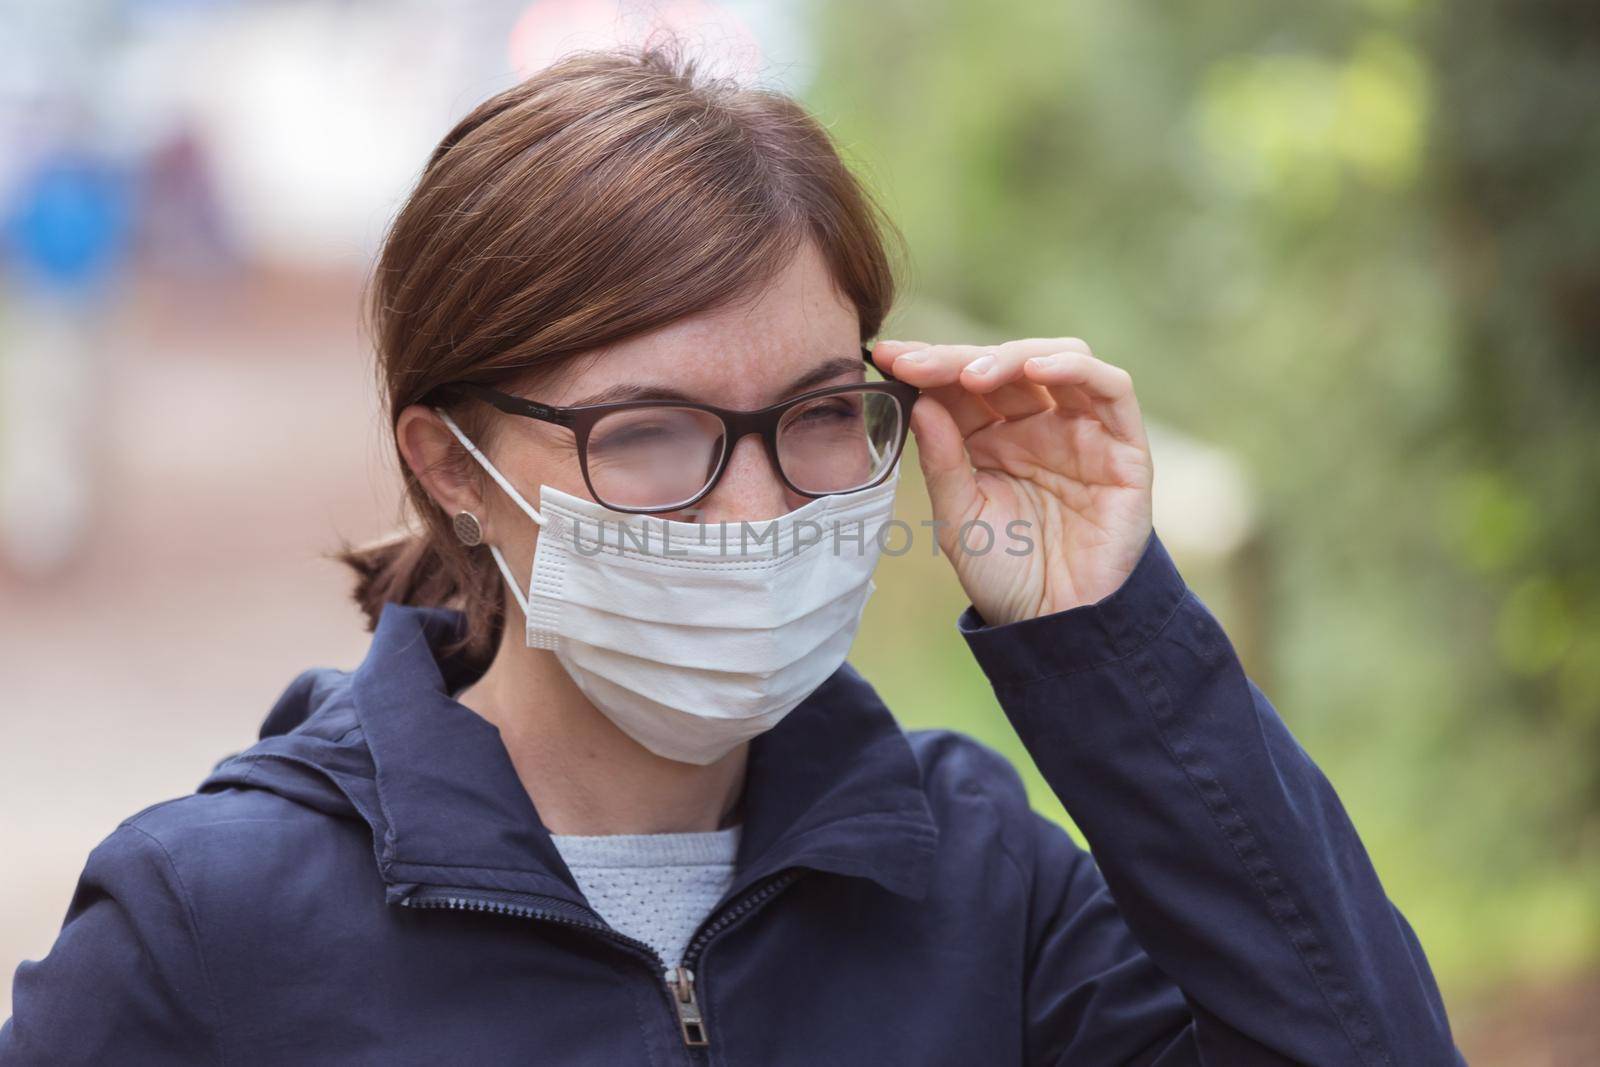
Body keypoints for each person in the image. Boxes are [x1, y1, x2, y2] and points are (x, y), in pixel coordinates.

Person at [0, 43, 1464, 1066]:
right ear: (449, 465)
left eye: (824, 415)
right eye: (649, 433)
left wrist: (1106, 632)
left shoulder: (979, 892)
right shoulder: (209, 929)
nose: (758, 512)